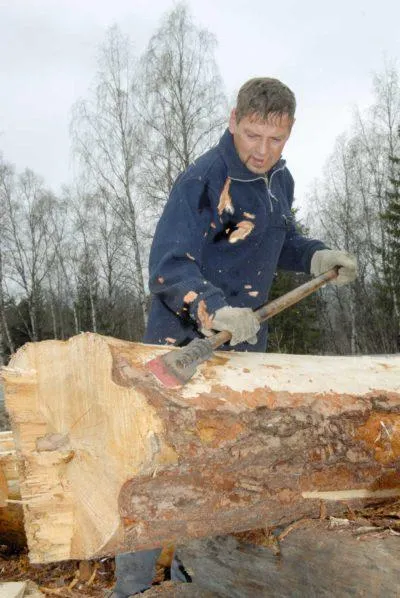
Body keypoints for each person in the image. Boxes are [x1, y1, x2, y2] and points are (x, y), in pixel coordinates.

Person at [112, 77, 357, 596]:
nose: (263, 150)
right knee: (159, 470)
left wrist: (314, 255)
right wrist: (214, 308)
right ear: (233, 120)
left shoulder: (277, 180)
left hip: (245, 350)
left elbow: (279, 237)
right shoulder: (203, 179)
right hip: (183, 346)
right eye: (252, 136)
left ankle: (194, 578)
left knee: (220, 468)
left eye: (276, 140)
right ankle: (131, 588)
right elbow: (168, 267)